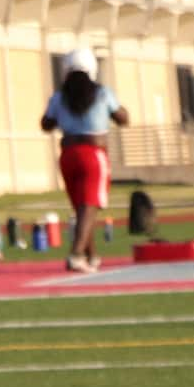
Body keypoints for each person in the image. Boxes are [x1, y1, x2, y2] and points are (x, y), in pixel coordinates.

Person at [40, 49, 128, 272]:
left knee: (81, 208)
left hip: (68, 154)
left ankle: (92, 255)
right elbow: (122, 118)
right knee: (90, 207)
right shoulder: (102, 93)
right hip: (93, 153)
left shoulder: (59, 96)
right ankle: (77, 254)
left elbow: (46, 124)